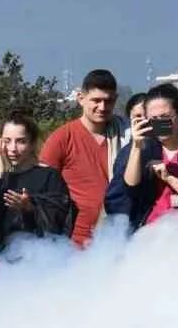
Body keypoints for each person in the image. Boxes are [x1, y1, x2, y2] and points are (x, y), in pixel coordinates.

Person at [104, 83, 178, 231]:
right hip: (148, 236)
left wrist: (170, 179)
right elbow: (130, 187)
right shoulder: (143, 148)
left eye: (166, 117)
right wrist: (136, 145)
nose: (160, 123)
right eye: (154, 119)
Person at [39, 69, 131, 246]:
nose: (102, 107)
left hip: (118, 236)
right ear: (81, 98)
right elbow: (44, 189)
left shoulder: (127, 136)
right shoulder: (62, 138)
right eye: (96, 101)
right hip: (73, 241)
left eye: (108, 101)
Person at [0, 110, 75, 239]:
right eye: (7, 141)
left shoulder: (49, 177)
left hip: (37, 254)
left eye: (21, 141)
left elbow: (59, 222)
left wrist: (29, 207)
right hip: (0, 255)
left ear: (32, 143)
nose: (12, 148)